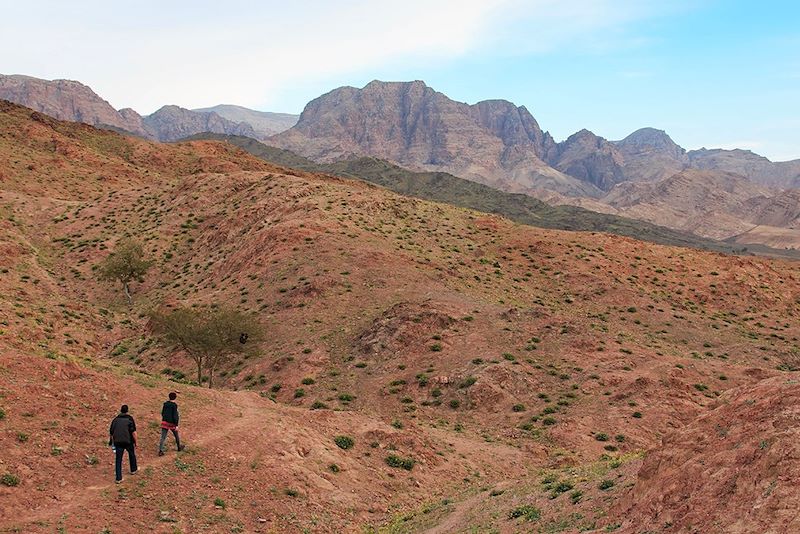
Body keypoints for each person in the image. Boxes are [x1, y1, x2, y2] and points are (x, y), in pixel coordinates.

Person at [109, 404, 137, 483]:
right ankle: (133, 469)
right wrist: (136, 442)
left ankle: (118, 478)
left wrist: (111, 442)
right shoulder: (129, 419)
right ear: (127, 410)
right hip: (128, 441)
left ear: (120, 410)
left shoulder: (115, 419)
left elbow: (111, 432)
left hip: (118, 442)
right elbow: (133, 432)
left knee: (118, 459)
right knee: (131, 454)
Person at [158, 391, 184, 456]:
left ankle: (160, 450)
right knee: (176, 435)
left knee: (163, 437)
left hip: (165, 422)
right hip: (172, 423)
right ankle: (179, 447)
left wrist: (164, 419)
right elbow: (175, 415)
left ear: (169, 397)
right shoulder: (174, 405)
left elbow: (162, 412)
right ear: (175, 398)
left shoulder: (165, 404)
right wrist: (176, 425)